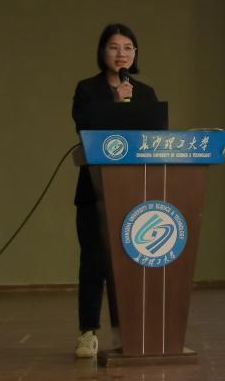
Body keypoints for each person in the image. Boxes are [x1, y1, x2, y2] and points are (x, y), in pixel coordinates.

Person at [71, 23, 159, 358]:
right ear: (102, 51)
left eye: (128, 47)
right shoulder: (87, 90)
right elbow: (86, 128)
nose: (121, 54)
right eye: (113, 47)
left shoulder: (146, 93)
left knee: (129, 264)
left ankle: (128, 333)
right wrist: (115, 102)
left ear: (135, 53)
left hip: (135, 190)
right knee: (93, 261)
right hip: (94, 191)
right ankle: (88, 332)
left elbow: (153, 139)